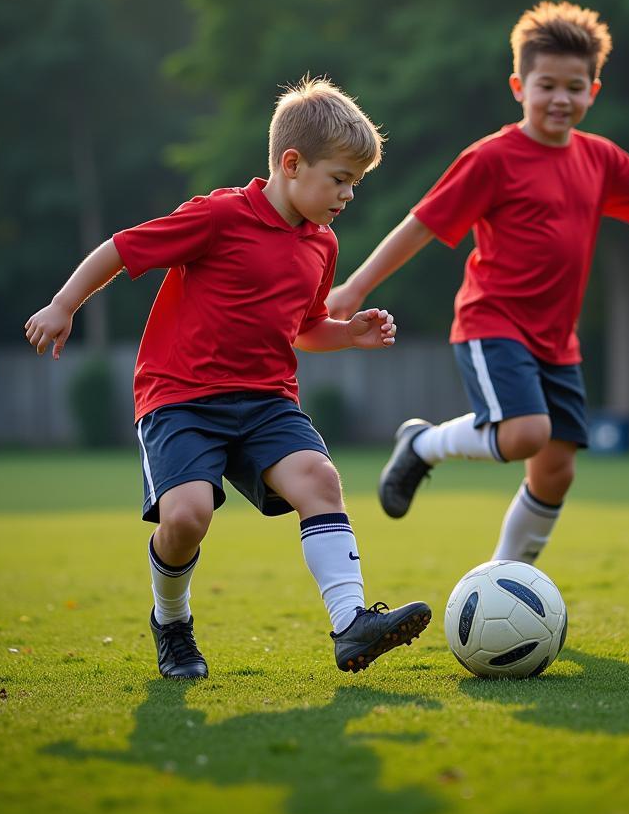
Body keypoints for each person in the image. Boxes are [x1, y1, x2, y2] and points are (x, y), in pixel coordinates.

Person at [327, 0, 629, 565]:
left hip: (558, 341)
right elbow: (421, 225)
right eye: (546, 85)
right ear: (519, 86)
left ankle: (508, 581)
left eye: (574, 86)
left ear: (593, 92)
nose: (561, 97)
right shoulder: (491, 159)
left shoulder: (601, 159)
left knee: (556, 470)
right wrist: (355, 289)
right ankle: (422, 444)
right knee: (525, 433)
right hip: (492, 324)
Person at [25, 77, 431, 679]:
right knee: (186, 518)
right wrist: (64, 304)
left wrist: (346, 333)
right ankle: (172, 620)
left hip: (267, 401)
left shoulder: (322, 245)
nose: (348, 195)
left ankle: (351, 625)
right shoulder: (218, 216)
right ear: (292, 164)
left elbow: (305, 326)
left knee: (319, 479)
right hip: (180, 398)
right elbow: (121, 248)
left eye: (354, 183)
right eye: (340, 180)